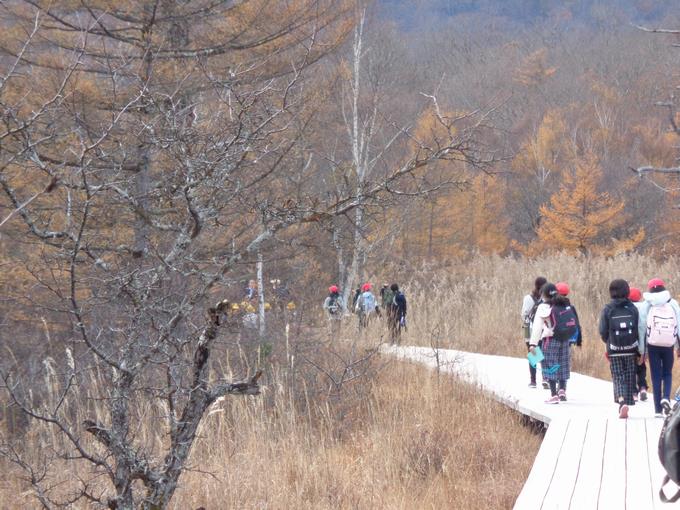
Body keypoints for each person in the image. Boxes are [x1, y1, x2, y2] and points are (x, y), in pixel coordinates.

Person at [529, 282, 578, 404]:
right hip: (565, 339)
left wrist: (533, 344)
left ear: (544, 295)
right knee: (563, 363)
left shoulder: (543, 307)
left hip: (550, 339)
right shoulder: (564, 304)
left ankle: (553, 394)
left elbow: (537, 327)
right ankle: (562, 390)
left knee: (550, 365)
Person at [638, 278, 680, 417]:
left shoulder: (646, 305)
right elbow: (679, 326)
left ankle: (657, 410)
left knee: (656, 375)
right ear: (663, 288)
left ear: (650, 289)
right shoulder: (672, 303)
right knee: (667, 373)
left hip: (653, 344)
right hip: (668, 344)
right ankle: (666, 398)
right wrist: (678, 346)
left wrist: (642, 351)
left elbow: (642, 329)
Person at [600, 279, 640, 419]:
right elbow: (638, 328)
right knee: (629, 375)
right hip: (631, 348)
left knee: (618, 376)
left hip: (614, 349)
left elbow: (603, 330)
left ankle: (621, 401)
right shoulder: (632, 308)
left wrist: (609, 341)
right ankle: (628, 401)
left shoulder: (608, 308)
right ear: (627, 290)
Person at [522, 276, 547, 388]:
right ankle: (545, 378)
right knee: (544, 353)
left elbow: (524, 314)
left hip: (528, 329)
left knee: (533, 353)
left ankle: (533, 381)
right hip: (541, 329)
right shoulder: (546, 299)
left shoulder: (528, 298)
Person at [628, 287, 649, 402]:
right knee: (641, 367)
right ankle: (643, 388)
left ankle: (634, 393)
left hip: (630, 342)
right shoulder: (644, 308)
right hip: (642, 343)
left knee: (631, 368)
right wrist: (645, 350)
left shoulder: (627, 308)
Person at [555, 281, 583, 348]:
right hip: (569, 342)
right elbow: (577, 325)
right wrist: (579, 342)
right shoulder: (571, 308)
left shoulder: (552, 308)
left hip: (555, 342)